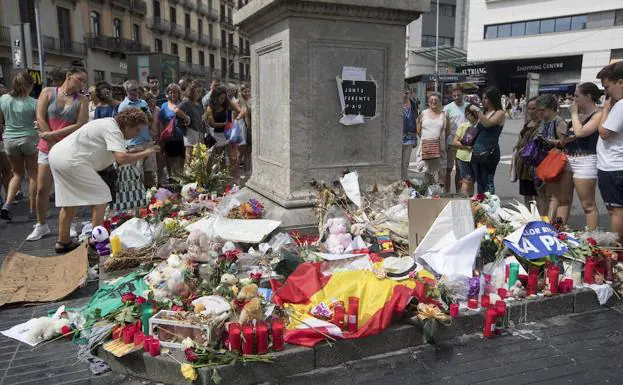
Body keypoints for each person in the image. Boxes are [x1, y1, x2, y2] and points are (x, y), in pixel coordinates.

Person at [48, 109, 159, 253]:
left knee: (69, 202)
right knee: (102, 196)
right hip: (72, 161)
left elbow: (123, 152)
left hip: (57, 156)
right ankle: (97, 241)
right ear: (127, 125)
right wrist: (145, 153)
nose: (137, 134)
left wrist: (143, 147)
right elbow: (121, 158)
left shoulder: (109, 125)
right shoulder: (113, 130)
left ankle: (63, 242)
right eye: (136, 130)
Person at [28, 67, 88, 241]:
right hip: (48, 148)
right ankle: (41, 225)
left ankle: (69, 224)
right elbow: (40, 118)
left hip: (68, 148)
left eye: (84, 81)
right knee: (42, 189)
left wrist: (53, 136)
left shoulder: (82, 100)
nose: (81, 83)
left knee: (68, 189)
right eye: (79, 79)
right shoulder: (47, 93)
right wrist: (53, 142)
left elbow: (81, 123)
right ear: (68, 76)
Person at [0, 71, 38, 220]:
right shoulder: (33, 102)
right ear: (29, 85)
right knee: (33, 176)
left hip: (9, 139)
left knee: (17, 174)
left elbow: (1, 120)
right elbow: (38, 121)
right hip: (28, 139)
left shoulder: (3, 99)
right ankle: (32, 211)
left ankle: (7, 205)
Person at [567, 82, 603, 230]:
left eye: (576, 96)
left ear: (588, 96)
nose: (573, 100)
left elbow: (580, 133)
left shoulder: (598, 114)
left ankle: (592, 237)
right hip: (568, 159)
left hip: (586, 160)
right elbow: (571, 134)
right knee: (564, 200)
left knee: (587, 204)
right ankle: (559, 232)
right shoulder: (579, 115)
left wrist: (574, 114)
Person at [536, 94, 574, 224]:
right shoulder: (543, 121)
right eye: (539, 110)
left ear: (552, 108)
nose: (540, 113)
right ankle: (544, 220)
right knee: (544, 194)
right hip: (543, 161)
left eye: (543, 110)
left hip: (554, 162)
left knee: (554, 196)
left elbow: (564, 142)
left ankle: (552, 223)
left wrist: (549, 141)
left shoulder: (559, 121)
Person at [596, 62, 623, 240]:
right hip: (613, 165)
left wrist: (605, 109)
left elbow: (604, 132)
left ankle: (616, 252)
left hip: (613, 166)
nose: (606, 93)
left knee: (616, 211)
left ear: (620, 82)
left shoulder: (621, 105)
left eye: (607, 87)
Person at [117, 79, 156, 188]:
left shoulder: (142, 103)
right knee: (137, 174)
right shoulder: (123, 106)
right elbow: (122, 126)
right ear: (126, 91)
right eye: (132, 90)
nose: (135, 92)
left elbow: (149, 118)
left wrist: (148, 116)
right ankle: (140, 198)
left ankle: (152, 198)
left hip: (147, 141)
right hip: (133, 144)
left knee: (150, 173)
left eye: (137, 90)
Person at [468, 87, 505, 194]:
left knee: (488, 180)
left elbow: (487, 124)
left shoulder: (500, 113)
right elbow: (477, 127)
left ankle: (489, 206)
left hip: (489, 152)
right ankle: (480, 204)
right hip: (477, 150)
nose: (483, 101)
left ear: (492, 99)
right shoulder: (485, 112)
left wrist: (478, 111)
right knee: (479, 181)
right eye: (482, 98)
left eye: (485, 98)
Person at [204, 85, 244, 180]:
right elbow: (212, 124)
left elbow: (241, 111)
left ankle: (232, 179)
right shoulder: (210, 107)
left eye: (224, 98)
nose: (222, 100)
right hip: (218, 136)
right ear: (215, 97)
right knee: (220, 160)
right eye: (220, 98)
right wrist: (223, 124)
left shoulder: (228, 103)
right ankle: (221, 181)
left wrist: (235, 120)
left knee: (233, 158)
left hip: (230, 134)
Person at [512, 97, 542, 209]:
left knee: (539, 194)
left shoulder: (542, 124)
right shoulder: (528, 122)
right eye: (529, 108)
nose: (531, 111)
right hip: (523, 164)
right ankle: (529, 217)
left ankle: (539, 218)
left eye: (534, 108)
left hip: (535, 164)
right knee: (526, 193)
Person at [416, 93, 450, 187]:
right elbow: (418, 130)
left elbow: (448, 131)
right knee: (427, 174)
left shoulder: (444, 114)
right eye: (431, 100)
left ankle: (439, 194)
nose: (434, 102)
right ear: (428, 102)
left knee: (441, 174)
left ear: (440, 102)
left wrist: (439, 140)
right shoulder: (423, 113)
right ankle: (427, 195)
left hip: (440, 148)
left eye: (436, 100)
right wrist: (428, 140)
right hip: (426, 148)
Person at [443, 85, 467, 191]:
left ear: (463, 94)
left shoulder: (468, 107)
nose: (457, 97)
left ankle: (458, 193)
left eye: (459, 95)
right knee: (447, 170)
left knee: (460, 171)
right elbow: (444, 127)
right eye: (454, 95)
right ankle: (447, 192)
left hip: (463, 145)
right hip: (450, 143)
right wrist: (445, 142)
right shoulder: (447, 108)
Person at [159, 83, 185, 177]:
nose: (173, 95)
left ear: (178, 94)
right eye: (170, 93)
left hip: (182, 137)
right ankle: (171, 179)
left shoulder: (183, 104)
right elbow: (161, 122)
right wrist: (161, 137)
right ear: (167, 94)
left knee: (180, 161)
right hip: (169, 138)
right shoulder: (164, 105)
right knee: (169, 161)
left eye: (175, 92)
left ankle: (180, 180)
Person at [177, 81, 205, 167]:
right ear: (192, 91)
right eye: (198, 92)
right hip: (190, 131)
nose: (199, 94)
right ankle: (187, 176)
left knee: (199, 156)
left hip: (200, 131)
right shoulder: (187, 102)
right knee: (189, 155)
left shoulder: (200, 104)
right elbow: (176, 110)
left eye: (201, 92)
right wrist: (186, 117)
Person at [452, 107, 477, 196]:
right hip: (463, 156)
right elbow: (455, 141)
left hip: (475, 157)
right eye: (467, 114)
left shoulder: (480, 126)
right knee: (466, 179)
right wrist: (466, 146)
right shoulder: (463, 125)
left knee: (472, 180)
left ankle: (471, 200)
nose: (468, 116)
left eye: (470, 114)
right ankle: (463, 201)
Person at [144, 92, 165, 185]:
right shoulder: (144, 110)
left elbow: (160, 124)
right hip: (147, 140)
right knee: (149, 164)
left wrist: (160, 138)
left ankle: (160, 181)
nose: (151, 102)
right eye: (149, 100)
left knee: (160, 160)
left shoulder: (158, 110)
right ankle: (150, 182)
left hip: (157, 138)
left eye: (153, 100)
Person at [237, 83, 252, 177]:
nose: (247, 93)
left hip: (250, 129)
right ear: (241, 92)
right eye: (244, 91)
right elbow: (236, 117)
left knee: (248, 153)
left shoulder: (251, 101)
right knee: (240, 154)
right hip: (242, 129)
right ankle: (234, 174)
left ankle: (247, 174)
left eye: (248, 91)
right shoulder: (238, 102)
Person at [402, 91, 417, 180]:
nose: (404, 95)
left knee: (405, 162)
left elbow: (416, 120)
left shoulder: (413, 104)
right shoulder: (396, 103)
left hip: (410, 138)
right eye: (403, 92)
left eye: (406, 93)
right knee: (397, 161)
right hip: (398, 137)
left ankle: (403, 181)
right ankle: (397, 180)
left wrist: (416, 138)